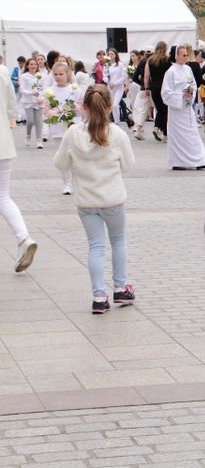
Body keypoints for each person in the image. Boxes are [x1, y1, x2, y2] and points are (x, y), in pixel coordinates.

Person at [53, 85, 135, 313]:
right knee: (118, 241)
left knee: (95, 247)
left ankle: (99, 296)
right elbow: (128, 166)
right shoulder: (117, 134)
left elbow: (61, 164)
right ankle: (120, 288)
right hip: (113, 198)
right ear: (109, 107)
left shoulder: (73, 133)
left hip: (86, 200)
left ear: (84, 107)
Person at [0, 67, 37, 273]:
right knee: (3, 196)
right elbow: (12, 110)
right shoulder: (3, 73)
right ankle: (23, 237)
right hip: (3, 142)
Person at [161, 45, 205, 171]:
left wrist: (191, 92)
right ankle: (178, 161)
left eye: (186, 55)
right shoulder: (170, 72)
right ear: (176, 56)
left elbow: (193, 84)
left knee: (192, 133)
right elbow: (166, 93)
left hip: (187, 108)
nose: (186, 57)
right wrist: (181, 95)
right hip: (177, 109)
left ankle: (199, 159)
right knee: (178, 135)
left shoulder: (188, 69)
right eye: (183, 55)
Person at [44, 62, 83, 195]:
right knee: (62, 155)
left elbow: (81, 107)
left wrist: (73, 109)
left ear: (68, 74)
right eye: (55, 74)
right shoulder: (50, 92)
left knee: (74, 155)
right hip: (58, 128)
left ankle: (74, 181)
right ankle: (66, 182)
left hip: (73, 127)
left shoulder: (75, 90)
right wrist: (56, 113)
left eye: (61, 74)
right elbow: (47, 110)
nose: (58, 77)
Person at [144, 41, 172, 141]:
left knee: (159, 109)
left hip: (154, 87)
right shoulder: (168, 60)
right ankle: (165, 133)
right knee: (166, 110)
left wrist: (146, 88)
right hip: (165, 87)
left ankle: (156, 127)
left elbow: (146, 75)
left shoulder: (150, 60)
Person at [18, 57, 45, 149]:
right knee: (30, 121)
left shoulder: (40, 76)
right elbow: (22, 89)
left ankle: (39, 140)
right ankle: (28, 135)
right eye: (31, 64)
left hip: (38, 101)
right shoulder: (24, 76)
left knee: (38, 121)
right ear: (27, 66)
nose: (33, 66)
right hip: (28, 100)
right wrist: (31, 93)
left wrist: (41, 97)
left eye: (35, 64)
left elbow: (43, 88)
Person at [104, 49, 127, 125]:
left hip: (118, 87)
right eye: (109, 54)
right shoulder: (107, 65)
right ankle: (109, 120)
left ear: (116, 55)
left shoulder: (120, 65)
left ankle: (117, 122)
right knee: (111, 105)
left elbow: (124, 76)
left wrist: (115, 83)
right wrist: (108, 81)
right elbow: (104, 76)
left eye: (112, 54)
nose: (110, 56)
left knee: (115, 104)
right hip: (110, 87)